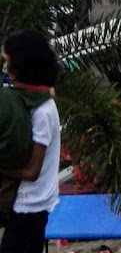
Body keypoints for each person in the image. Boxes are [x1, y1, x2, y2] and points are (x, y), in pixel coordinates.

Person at [0, 31, 61, 253]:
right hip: (34, 206)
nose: (5, 67)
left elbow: (32, 171)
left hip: (29, 206)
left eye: (7, 61)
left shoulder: (42, 110)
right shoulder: (36, 101)